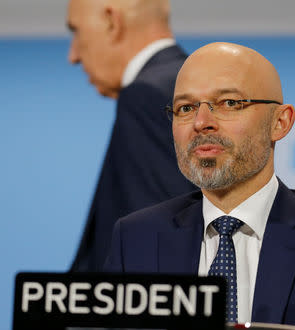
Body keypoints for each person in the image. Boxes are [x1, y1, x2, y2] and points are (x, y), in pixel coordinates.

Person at [104, 42, 295, 329]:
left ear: (280, 122)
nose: (201, 122)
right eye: (186, 107)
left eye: (229, 103)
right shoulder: (136, 239)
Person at [66, 0, 196, 271]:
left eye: (76, 32)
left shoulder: (147, 96)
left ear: (112, 22)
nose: (73, 55)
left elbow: (155, 244)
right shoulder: (189, 84)